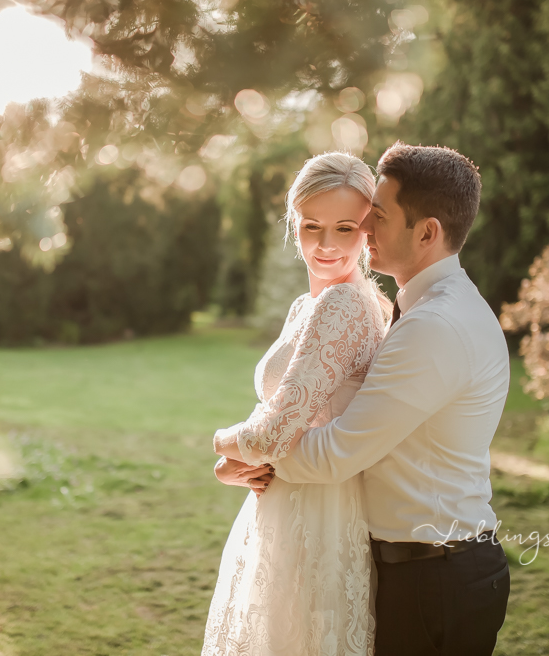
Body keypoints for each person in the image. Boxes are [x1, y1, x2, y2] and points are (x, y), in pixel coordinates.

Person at [269, 142, 512, 655]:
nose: (364, 228)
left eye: (377, 215)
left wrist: (251, 453)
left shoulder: (434, 326)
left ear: (426, 232)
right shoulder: (425, 307)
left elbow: (336, 453)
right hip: (427, 568)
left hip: (435, 578)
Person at [202, 151, 392, 656]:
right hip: (287, 500)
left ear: (368, 230)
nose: (326, 245)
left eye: (346, 228)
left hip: (318, 509)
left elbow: (270, 435)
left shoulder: (344, 303)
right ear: (294, 223)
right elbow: (284, 407)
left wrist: (220, 445)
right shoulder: (309, 305)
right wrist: (235, 466)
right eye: (312, 226)